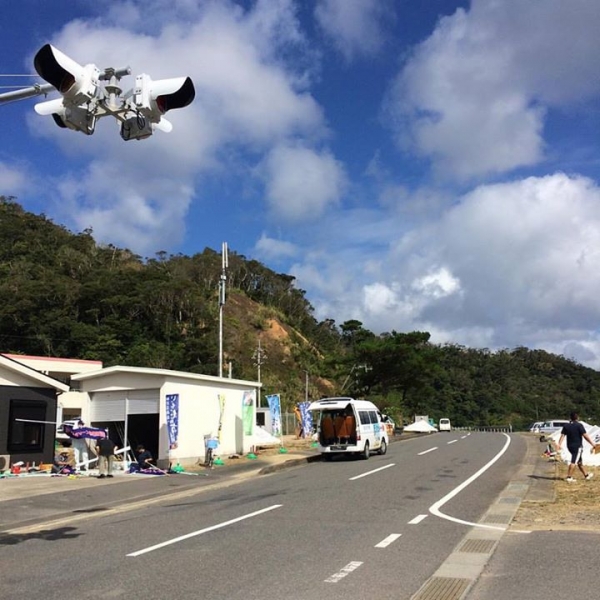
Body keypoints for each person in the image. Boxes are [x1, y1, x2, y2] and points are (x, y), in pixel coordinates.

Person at [557, 412, 597, 482]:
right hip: (577, 446)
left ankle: (586, 475)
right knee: (574, 461)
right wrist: (593, 444)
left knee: (579, 461)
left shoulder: (566, 426)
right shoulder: (579, 425)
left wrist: (559, 444)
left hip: (569, 446)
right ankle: (569, 477)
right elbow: (585, 436)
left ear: (570, 418)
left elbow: (562, 435)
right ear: (577, 418)